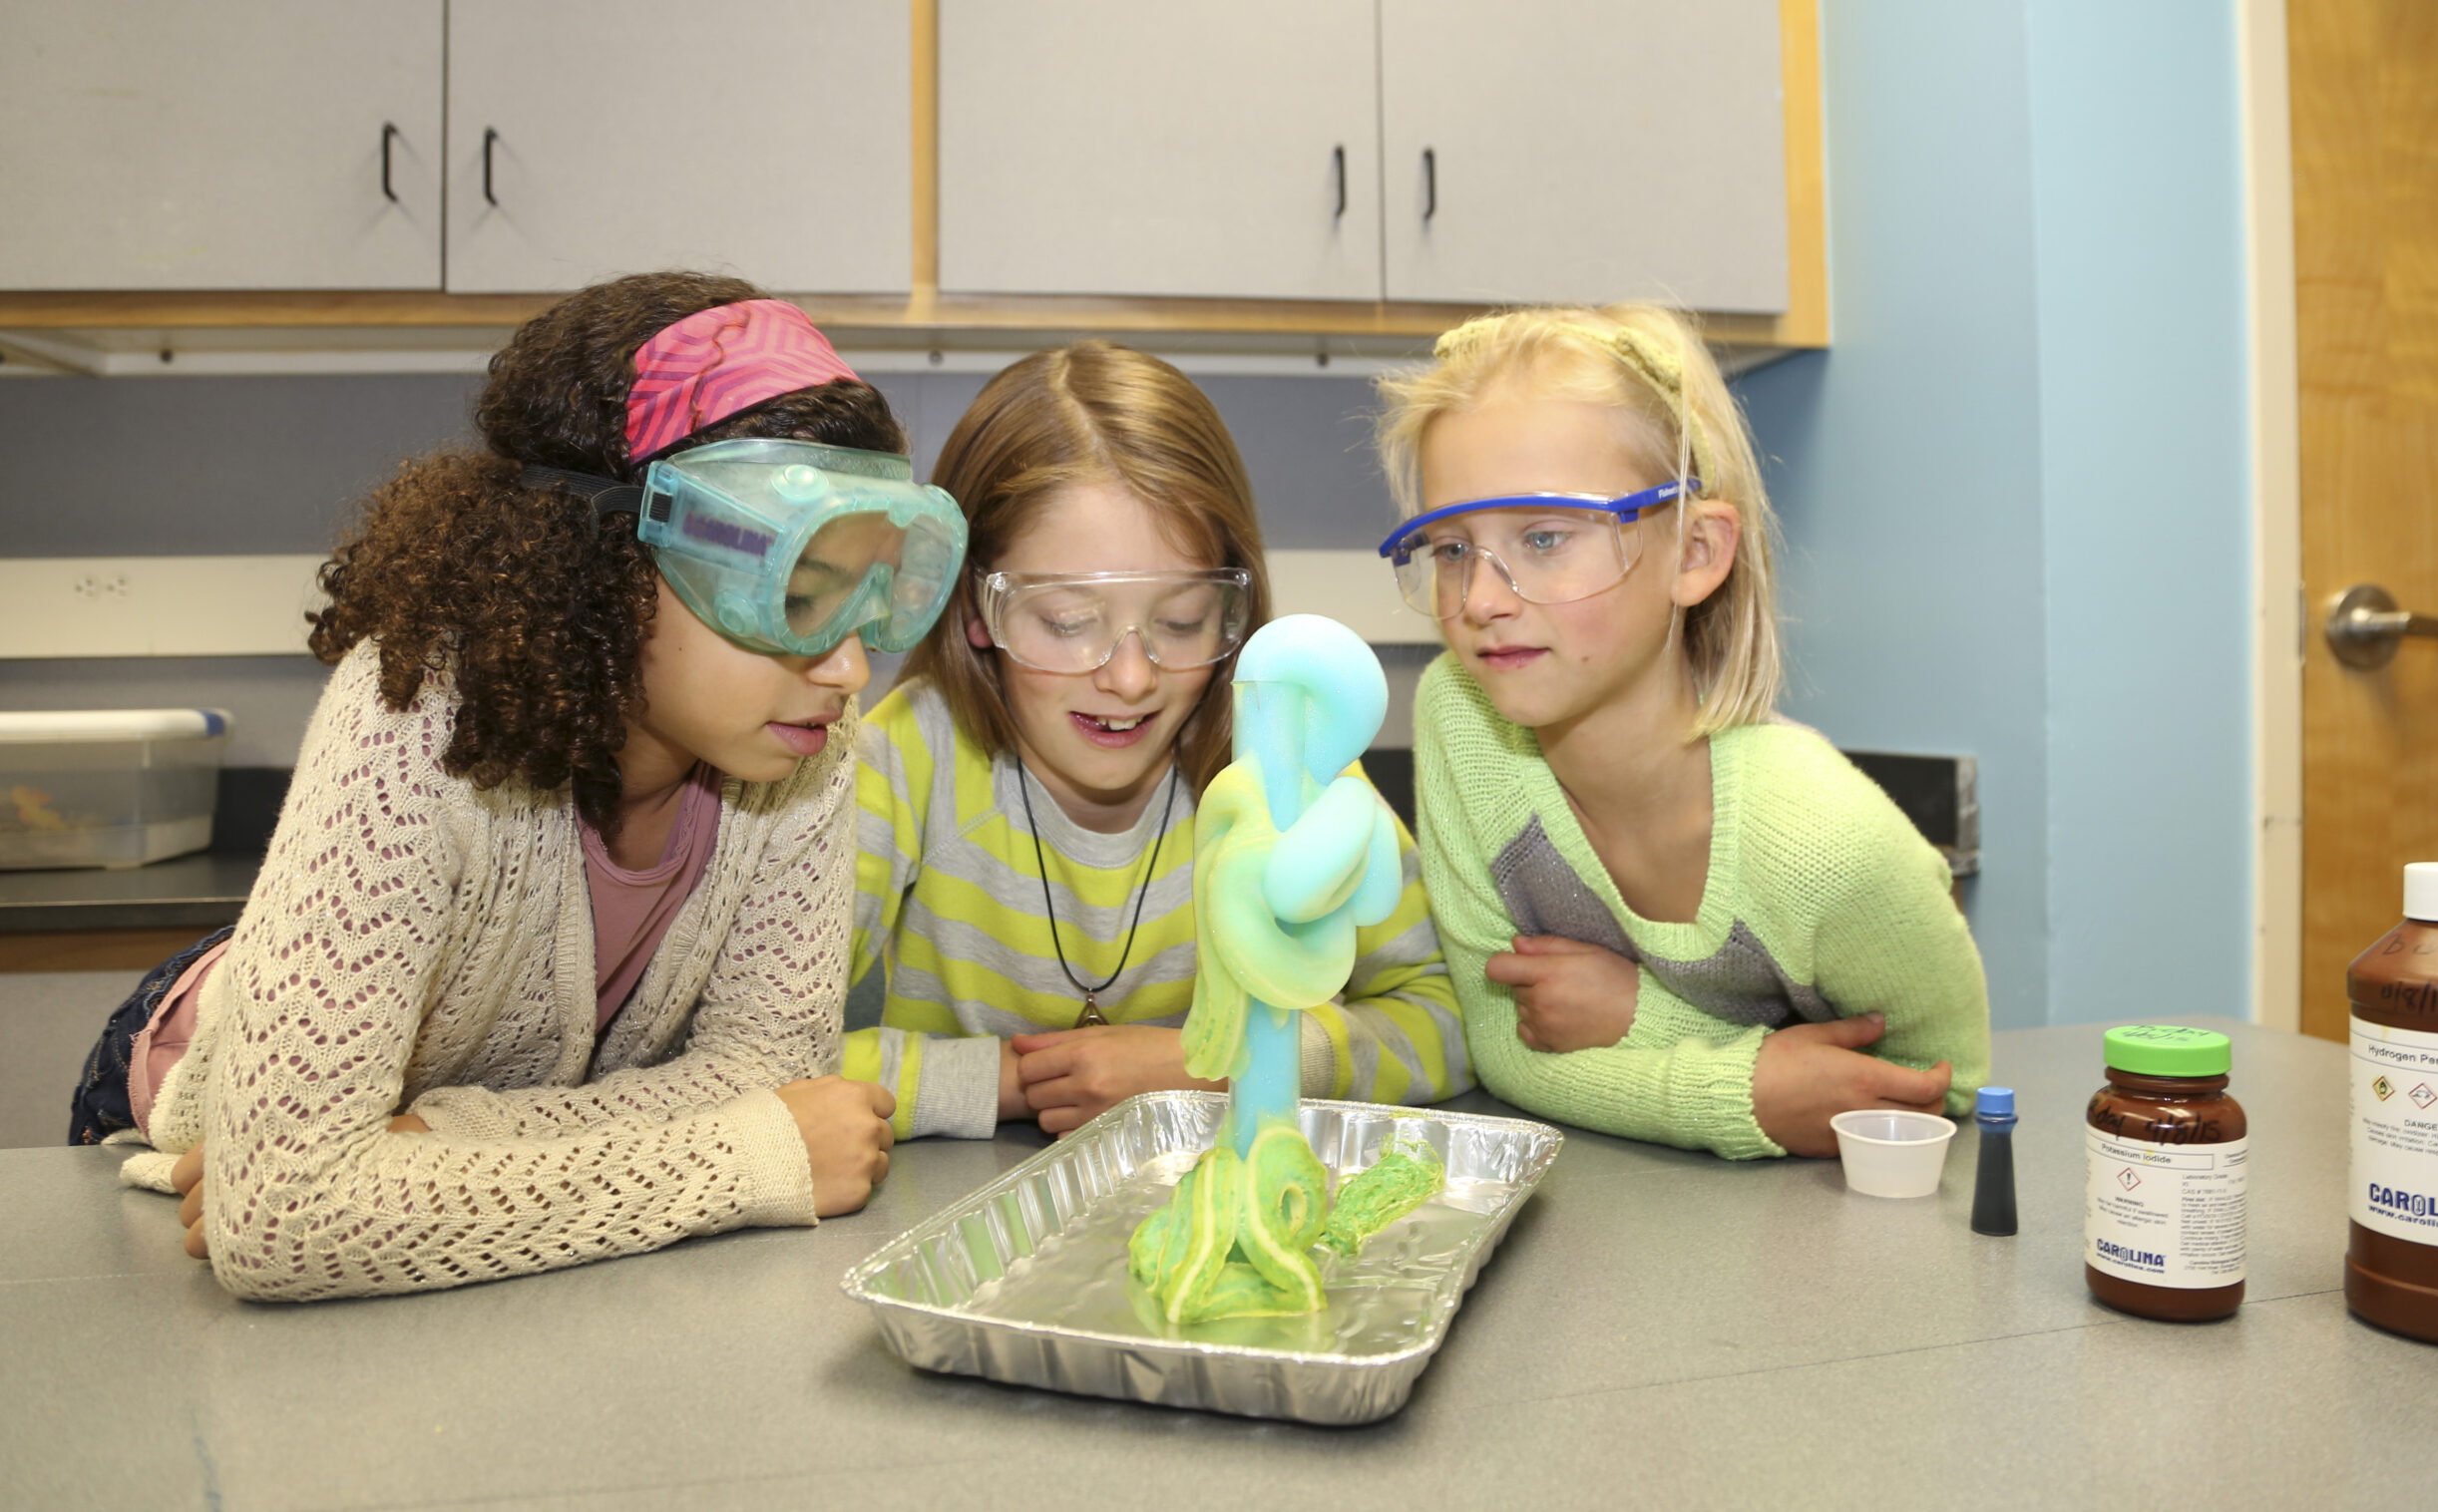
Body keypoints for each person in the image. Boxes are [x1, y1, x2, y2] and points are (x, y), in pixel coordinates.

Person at [65, 272, 961, 1298]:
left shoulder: (807, 737)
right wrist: (745, 1159)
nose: (848, 669)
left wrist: (437, 1138)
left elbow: (767, 1077)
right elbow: (280, 1219)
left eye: (867, 599)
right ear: (604, 556)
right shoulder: (417, 712)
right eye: (795, 595)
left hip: (474, 1142)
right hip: (180, 1092)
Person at [1377, 305, 1988, 1158]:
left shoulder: (1825, 845)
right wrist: (1749, 1084)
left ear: (1695, 552)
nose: (1479, 600)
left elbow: (1943, 1088)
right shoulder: (1461, 718)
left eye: (1545, 536)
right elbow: (1503, 1039)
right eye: (1448, 548)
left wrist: (1637, 1019)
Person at [843, 340, 1465, 1136]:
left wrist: (1226, 1065)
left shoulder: (1283, 758)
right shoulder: (904, 759)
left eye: (1180, 622)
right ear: (976, 610)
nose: (1131, 679)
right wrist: (1011, 1081)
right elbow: (761, 1055)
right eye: (1068, 624)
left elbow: (1444, 1020)